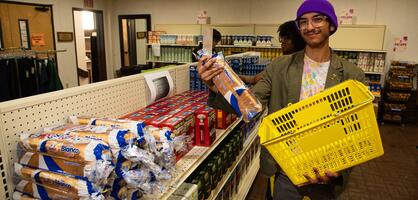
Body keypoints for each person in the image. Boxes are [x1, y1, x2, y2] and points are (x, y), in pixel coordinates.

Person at [197, 0, 366, 199]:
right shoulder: (280, 66)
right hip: (286, 169)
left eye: (317, 19)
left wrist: (341, 169)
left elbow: (357, 130)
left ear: (331, 25)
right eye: (303, 22)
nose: (310, 26)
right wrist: (215, 85)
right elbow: (251, 104)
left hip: (326, 170)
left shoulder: (351, 74)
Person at [240, 20, 306, 85]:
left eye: (282, 39)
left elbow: (254, 80)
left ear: (289, 40)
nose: (281, 44)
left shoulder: (280, 63)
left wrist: (234, 77)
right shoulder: (309, 62)